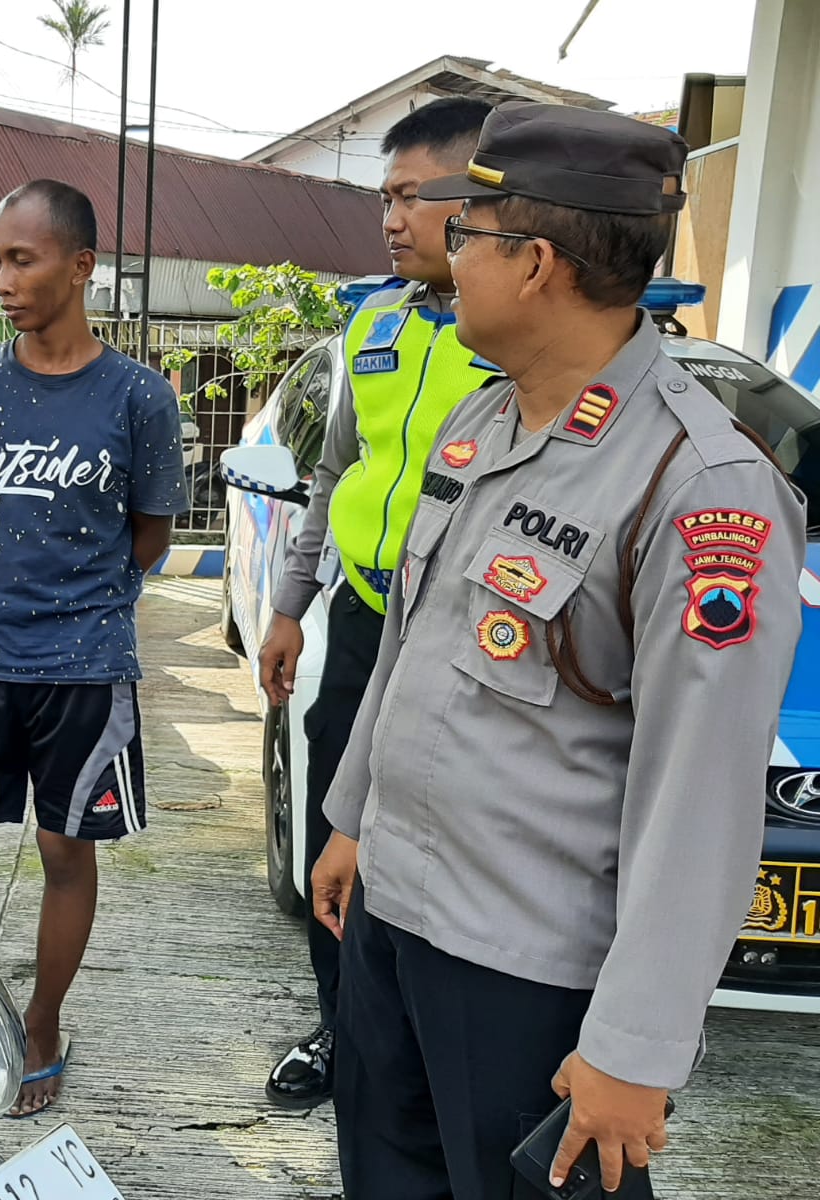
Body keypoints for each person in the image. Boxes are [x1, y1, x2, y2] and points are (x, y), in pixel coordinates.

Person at [312, 102, 805, 1199]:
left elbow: (704, 796)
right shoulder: (480, 425)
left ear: (533, 264)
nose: (446, 253)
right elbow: (409, 644)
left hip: (528, 977)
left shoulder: (700, 491)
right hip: (393, 925)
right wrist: (353, 819)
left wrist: (635, 1046)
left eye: (467, 233)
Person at [0, 179, 187, 1117]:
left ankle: (44, 1021)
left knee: (68, 854)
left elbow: (150, 537)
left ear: (80, 266)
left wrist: (78, 599)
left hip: (85, 675)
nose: (2, 280)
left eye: (21, 260)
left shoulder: (138, 397)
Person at [257, 96, 495, 1112]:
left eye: (410, 197)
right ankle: (342, 1027)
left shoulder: (519, 339)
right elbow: (335, 475)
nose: (390, 220)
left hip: (472, 641)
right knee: (331, 831)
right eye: (382, 199)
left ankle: (440, 1051)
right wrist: (286, 605)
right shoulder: (373, 322)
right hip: (360, 617)